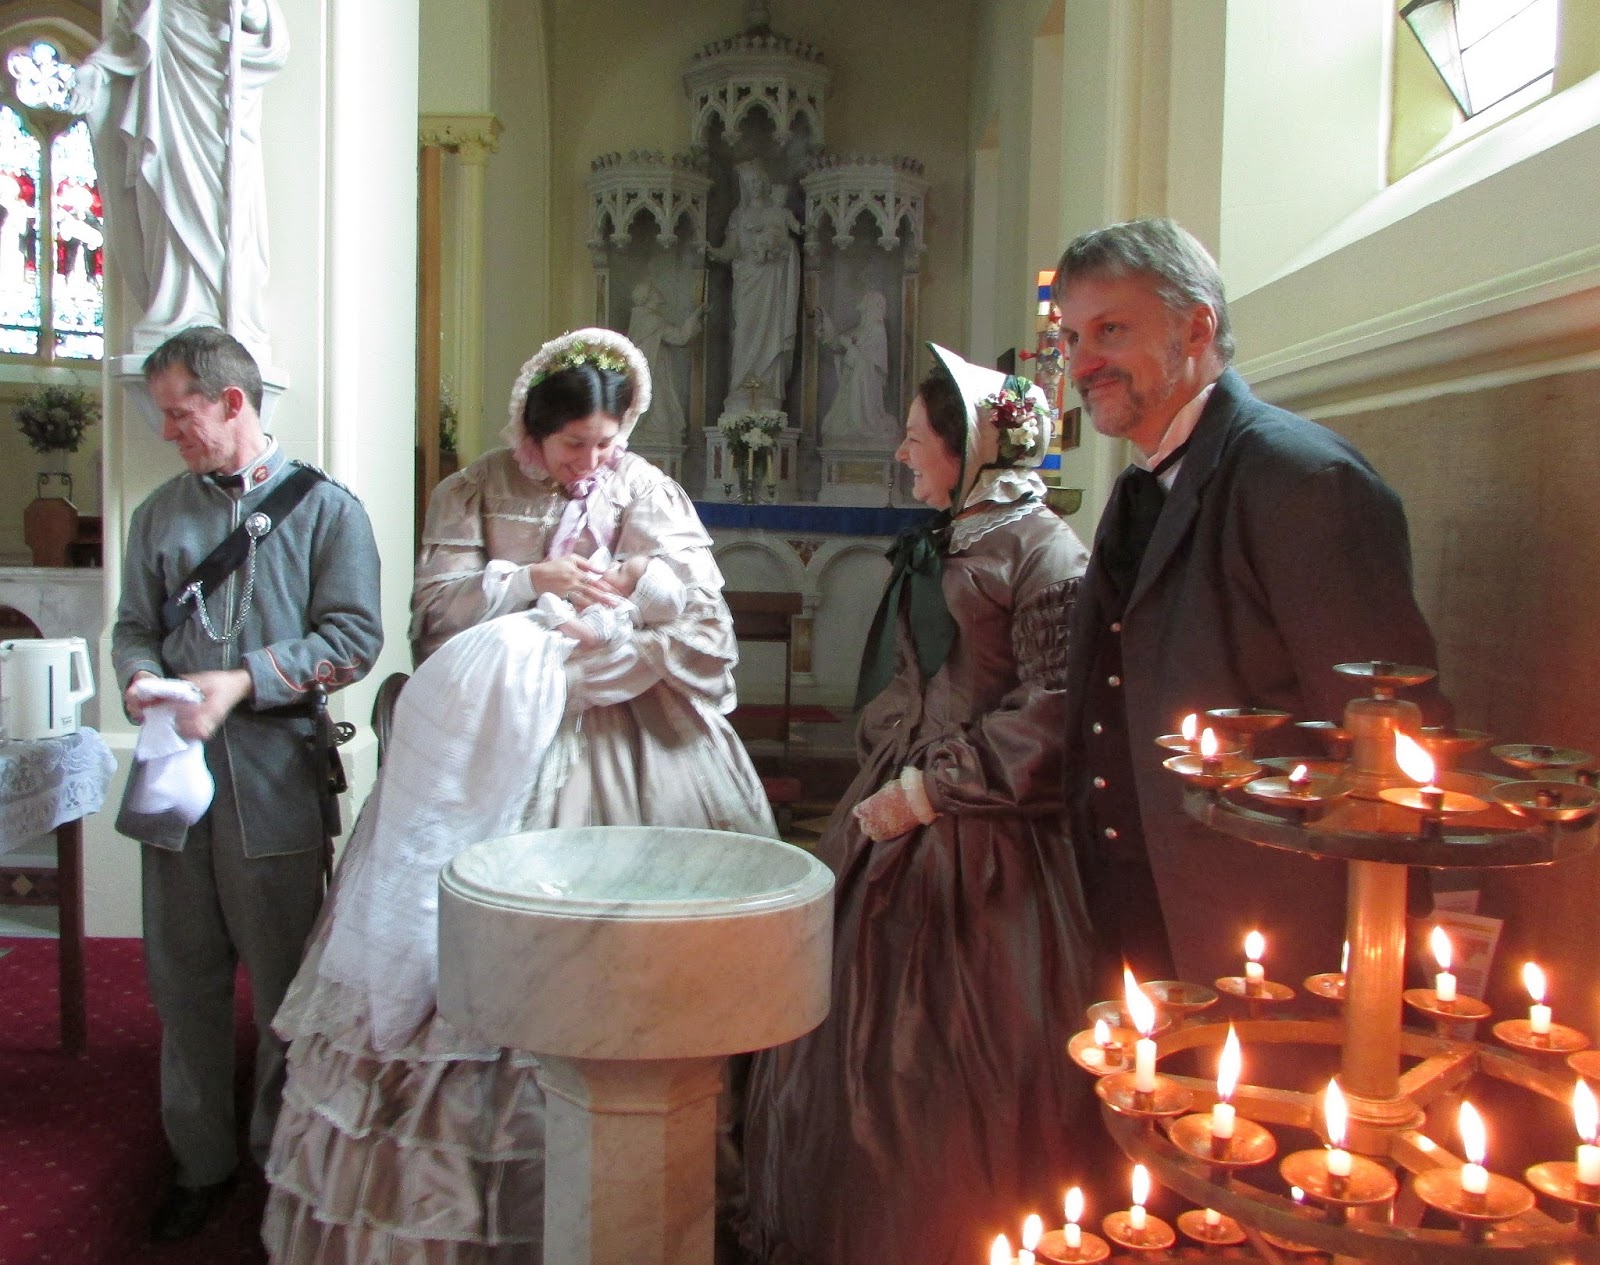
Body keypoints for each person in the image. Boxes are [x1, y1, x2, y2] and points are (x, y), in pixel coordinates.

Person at [263, 327, 774, 1263]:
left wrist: (631, 601)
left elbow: (703, 618)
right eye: (574, 443)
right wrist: (529, 582)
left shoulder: (643, 489)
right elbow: (434, 618)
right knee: (453, 952)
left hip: (632, 740)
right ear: (533, 430)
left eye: (607, 442)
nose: (592, 462)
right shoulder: (472, 489)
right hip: (493, 741)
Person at [743, 344, 1095, 1264]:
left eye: (913, 436)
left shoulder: (1044, 548)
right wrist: (892, 745)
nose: (901, 452)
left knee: (954, 1055)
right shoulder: (953, 532)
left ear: (967, 443)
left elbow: (1055, 711)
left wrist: (933, 787)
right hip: (900, 792)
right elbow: (918, 670)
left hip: (986, 832)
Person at [1055, 217, 1445, 996]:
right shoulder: (1138, 487)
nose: (1082, 361)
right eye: (1072, 338)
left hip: (1264, 930)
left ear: (1196, 327)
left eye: (1110, 330)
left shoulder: (1300, 479)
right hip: (1139, 900)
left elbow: (1389, 745)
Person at [110, 325, 382, 1242]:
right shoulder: (159, 513)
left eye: (179, 415)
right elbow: (132, 626)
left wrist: (245, 680)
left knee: (282, 990)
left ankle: (278, 1162)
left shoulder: (328, 511)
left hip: (273, 778)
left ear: (233, 402)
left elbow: (355, 638)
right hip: (171, 777)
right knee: (181, 981)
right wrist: (138, 676)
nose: (167, 433)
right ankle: (200, 1161)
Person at [69, 0, 288, 362]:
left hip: (216, 91)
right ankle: (172, 308)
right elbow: (127, 33)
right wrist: (96, 69)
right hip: (164, 89)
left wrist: (247, 7)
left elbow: (268, 34)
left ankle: (221, 313)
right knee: (164, 194)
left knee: (217, 203)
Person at [711, 162, 801, 416]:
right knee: (743, 333)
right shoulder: (739, 216)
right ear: (745, 188)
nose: (756, 186)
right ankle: (741, 388)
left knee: (772, 332)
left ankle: (768, 391)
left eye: (760, 181)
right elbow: (731, 249)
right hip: (747, 283)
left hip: (772, 282)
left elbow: (791, 241)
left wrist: (780, 247)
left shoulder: (777, 212)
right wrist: (713, 253)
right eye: (751, 183)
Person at [627, 279, 703, 445]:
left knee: (655, 402)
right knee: (659, 404)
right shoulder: (653, 321)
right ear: (648, 296)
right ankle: (654, 430)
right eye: (654, 290)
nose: (659, 293)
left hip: (647, 368)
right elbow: (681, 338)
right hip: (654, 369)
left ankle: (646, 429)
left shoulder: (639, 319)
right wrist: (695, 317)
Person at [817, 289, 896, 448]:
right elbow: (837, 344)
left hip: (865, 385)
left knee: (859, 416)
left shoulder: (877, 329)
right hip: (851, 383)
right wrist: (826, 321)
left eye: (865, 303)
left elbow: (871, 361)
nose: (861, 307)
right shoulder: (860, 329)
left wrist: (850, 348)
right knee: (837, 424)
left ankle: (863, 423)